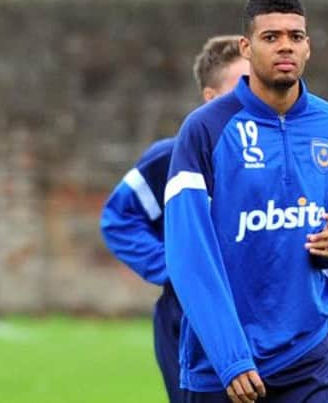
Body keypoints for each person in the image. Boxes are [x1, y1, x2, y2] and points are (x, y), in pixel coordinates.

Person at [164, 0, 328, 403]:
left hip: (308, 354)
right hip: (224, 369)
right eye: (271, 36)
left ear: (308, 47)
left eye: (295, 37)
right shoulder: (205, 130)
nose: (285, 47)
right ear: (247, 46)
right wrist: (231, 358)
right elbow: (190, 255)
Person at [99, 35, 249, 403]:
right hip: (186, 324)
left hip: (263, 321)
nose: (254, 96)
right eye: (242, 86)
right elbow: (119, 218)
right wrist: (175, 266)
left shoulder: (282, 155)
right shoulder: (171, 158)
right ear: (211, 99)